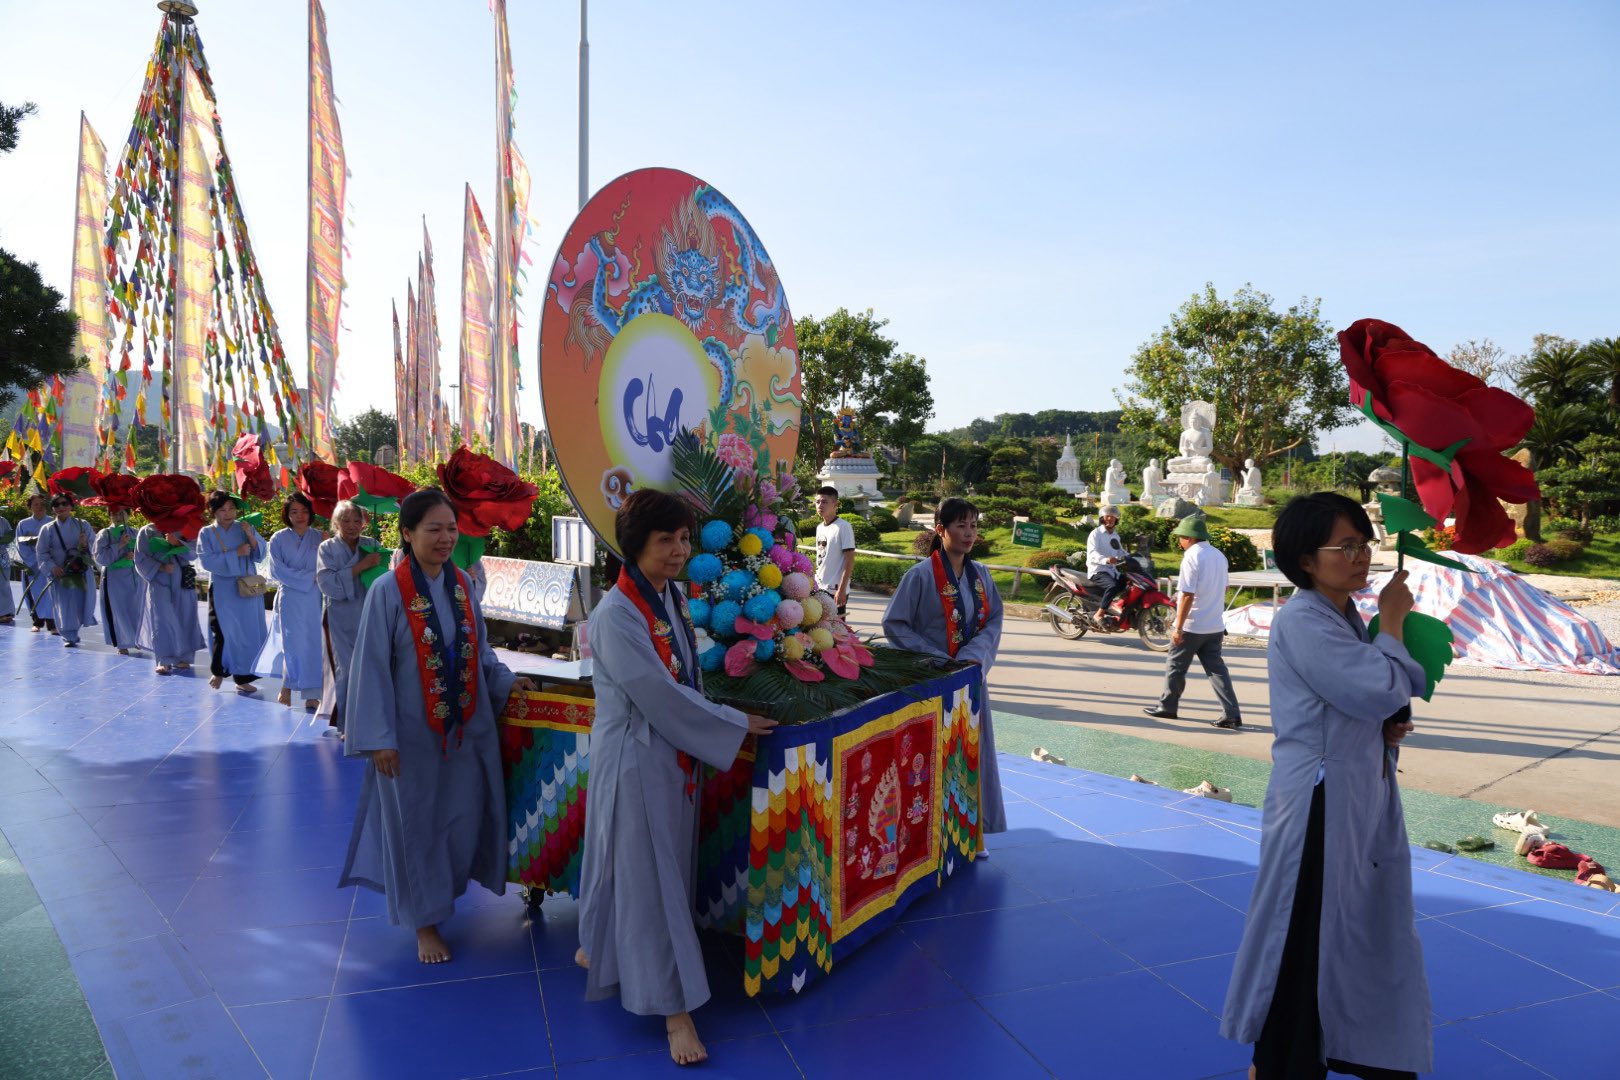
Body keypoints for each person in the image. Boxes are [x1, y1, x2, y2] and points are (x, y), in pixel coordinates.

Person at [1222, 493, 1429, 1079]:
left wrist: (1384, 723)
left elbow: (1371, 695)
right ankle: (1281, 1061)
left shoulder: (1343, 616)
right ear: (1306, 561)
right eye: (1345, 546)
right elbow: (1376, 686)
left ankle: (1343, 1046)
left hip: (1354, 791)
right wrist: (1393, 623)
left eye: (1364, 543)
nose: (1360, 556)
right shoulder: (1302, 620)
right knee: (1305, 932)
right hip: (1320, 801)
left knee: (1351, 926)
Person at [576, 488, 772, 1067]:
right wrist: (732, 722)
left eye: (684, 538)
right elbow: (658, 695)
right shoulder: (616, 614)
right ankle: (674, 1011)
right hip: (637, 759)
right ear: (635, 545)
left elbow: (686, 677)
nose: (680, 550)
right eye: (666, 540)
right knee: (653, 879)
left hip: (668, 755)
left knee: (634, 869)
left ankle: (600, 948)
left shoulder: (670, 598)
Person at [339, 488, 533, 965]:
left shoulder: (462, 583)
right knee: (417, 825)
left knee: (461, 816)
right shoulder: (388, 591)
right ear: (407, 534)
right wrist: (379, 738)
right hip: (408, 736)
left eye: (451, 529)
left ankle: (446, 895)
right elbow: (371, 668)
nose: (446, 538)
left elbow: (479, 649)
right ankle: (424, 923)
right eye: (434, 529)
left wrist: (506, 680)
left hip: (464, 728)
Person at [881, 496, 1006, 851]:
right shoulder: (920, 576)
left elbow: (994, 619)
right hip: (931, 682)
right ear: (941, 530)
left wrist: (973, 657)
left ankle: (972, 833)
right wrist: (938, 660)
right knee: (929, 760)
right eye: (960, 526)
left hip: (969, 679)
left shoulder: (982, 576)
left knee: (972, 754)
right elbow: (895, 624)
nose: (969, 533)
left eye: (973, 526)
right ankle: (924, 838)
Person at [1143, 516, 1242, 729]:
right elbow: (1223, 588)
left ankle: (1167, 707)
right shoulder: (1219, 556)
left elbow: (1188, 594)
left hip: (1192, 625)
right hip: (1214, 625)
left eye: (1181, 537)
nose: (1179, 541)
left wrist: (1178, 627)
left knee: (1175, 666)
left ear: (1189, 537)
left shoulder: (1192, 556)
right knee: (1217, 671)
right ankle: (1232, 714)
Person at [316, 500, 382, 734]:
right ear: (336, 523)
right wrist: (361, 566)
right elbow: (326, 583)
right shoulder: (327, 548)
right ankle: (348, 724)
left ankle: (371, 720)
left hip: (370, 613)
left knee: (372, 668)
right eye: (346, 521)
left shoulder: (372, 545)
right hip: (341, 617)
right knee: (347, 669)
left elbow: (382, 578)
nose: (352, 525)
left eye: (357, 520)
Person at [197, 491, 268, 693]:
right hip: (223, 589)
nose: (228, 513)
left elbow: (260, 555)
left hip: (248, 588)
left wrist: (251, 536)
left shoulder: (245, 527)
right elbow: (207, 561)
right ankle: (219, 671)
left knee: (248, 632)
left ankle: (243, 677)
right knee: (223, 631)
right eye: (222, 510)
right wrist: (235, 553)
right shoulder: (206, 533)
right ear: (213, 512)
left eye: (231, 509)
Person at [265, 492, 325, 709]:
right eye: (294, 512)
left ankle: (312, 694)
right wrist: (309, 577)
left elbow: (327, 566)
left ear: (310, 513)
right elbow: (276, 570)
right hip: (290, 597)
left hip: (314, 598)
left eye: (304, 511)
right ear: (287, 514)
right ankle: (287, 686)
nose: (300, 516)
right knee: (292, 644)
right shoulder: (278, 538)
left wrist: (327, 546)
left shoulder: (320, 537)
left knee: (314, 644)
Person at [136, 516, 205, 674]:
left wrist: (178, 543)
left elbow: (195, 552)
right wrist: (160, 567)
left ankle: (184, 657)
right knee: (161, 619)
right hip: (159, 581)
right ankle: (164, 659)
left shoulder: (184, 527)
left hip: (182, 580)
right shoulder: (147, 531)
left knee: (184, 616)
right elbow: (140, 559)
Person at [36, 494, 98, 648]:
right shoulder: (47, 529)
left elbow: (95, 547)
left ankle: (75, 629)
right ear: (52, 509)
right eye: (56, 505)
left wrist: (85, 544)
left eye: (64, 503)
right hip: (60, 573)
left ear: (71, 506)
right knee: (63, 605)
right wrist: (52, 567)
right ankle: (69, 635)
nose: (61, 507)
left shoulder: (83, 525)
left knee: (80, 603)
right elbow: (42, 553)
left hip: (80, 571)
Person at [93, 507, 146, 654]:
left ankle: (136, 639)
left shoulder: (136, 533)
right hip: (114, 579)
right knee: (118, 610)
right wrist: (120, 545)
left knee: (136, 608)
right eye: (114, 513)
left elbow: (145, 553)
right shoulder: (105, 534)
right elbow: (100, 558)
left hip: (135, 577)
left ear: (128, 515)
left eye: (121, 513)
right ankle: (122, 643)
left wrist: (134, 556)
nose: (118, 516)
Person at [812, 486, 856, 617]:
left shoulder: (843, 527)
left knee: (837, 627)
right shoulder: (820, 527)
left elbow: (850, 559)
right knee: (819, 627)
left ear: (835, 505)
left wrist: (841, 590)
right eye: (817, 502)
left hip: (835, 590)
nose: (820, 505)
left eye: (824, 502)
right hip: (819, 587)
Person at [16, 493, 55, 633]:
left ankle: (52, 624)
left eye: (42, 504)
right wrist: (34, 560)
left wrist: (46, 560)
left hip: (49, 565)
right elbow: (21, 545)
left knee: (50, 593)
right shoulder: (23, 524)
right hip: (31, 565)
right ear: (30, 507)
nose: (39, 507)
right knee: (33, 592)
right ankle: (37, 622)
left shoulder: (52, 522)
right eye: (36, 504)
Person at [1086, 506, 1129, 625]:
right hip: (1097, 570)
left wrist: (1133, 557)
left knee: (1130, 582)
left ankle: (1117, 608)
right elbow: (1092, 553)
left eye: (1112, 516)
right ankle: (1099, 614)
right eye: (1107, 516)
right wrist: (1106, 560)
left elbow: (1120, 551)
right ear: (1102, 518)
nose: (1110, 519)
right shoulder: (1095, 534)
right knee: (1112, 586)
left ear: (1116, 519)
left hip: (1111, 571)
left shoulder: (1115, 536)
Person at [0, 510, 14, 625]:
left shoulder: (3, 521)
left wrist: (3, 541)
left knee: (4, 584)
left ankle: (5, 612)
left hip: (2, 556)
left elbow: (10, 537)